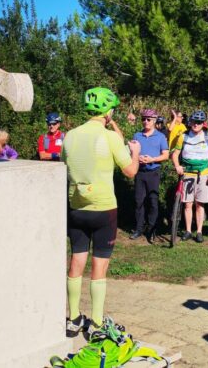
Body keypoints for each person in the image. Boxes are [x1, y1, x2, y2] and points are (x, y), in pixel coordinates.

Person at [63, 87, 140, 337]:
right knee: (99, 266)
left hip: (76, 206)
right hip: (104, 208)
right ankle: (96, 323)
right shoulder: (110, 137)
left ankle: (73, 318)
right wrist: (136, 153)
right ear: (108, 112)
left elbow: (65, 165)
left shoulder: (70, 136)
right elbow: (130, 171)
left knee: (76, 261)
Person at [171, 111, 208, 243]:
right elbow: (175, 154)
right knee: (188, 204)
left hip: (202, 174)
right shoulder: (184, 136)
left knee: (199, 204)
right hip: (187, 173)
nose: (196, 124)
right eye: (194, 122)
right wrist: (177, 166)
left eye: (199, 122)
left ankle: (199, 231)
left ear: (203, 124)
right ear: (190, 122)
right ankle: (188, 231)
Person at [130, 109, 169, 242]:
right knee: (138, 201)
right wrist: (137, 157)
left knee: (153, 201)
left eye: (148, 119)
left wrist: (152, 159)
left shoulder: (160, 137)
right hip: (140, 172)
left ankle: (152, 229)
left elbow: (166, 155)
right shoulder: (137, 135)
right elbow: (131, 152)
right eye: (143, 119)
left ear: (154, 121)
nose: (145, 121)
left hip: (153, 172)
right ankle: (139, 228)